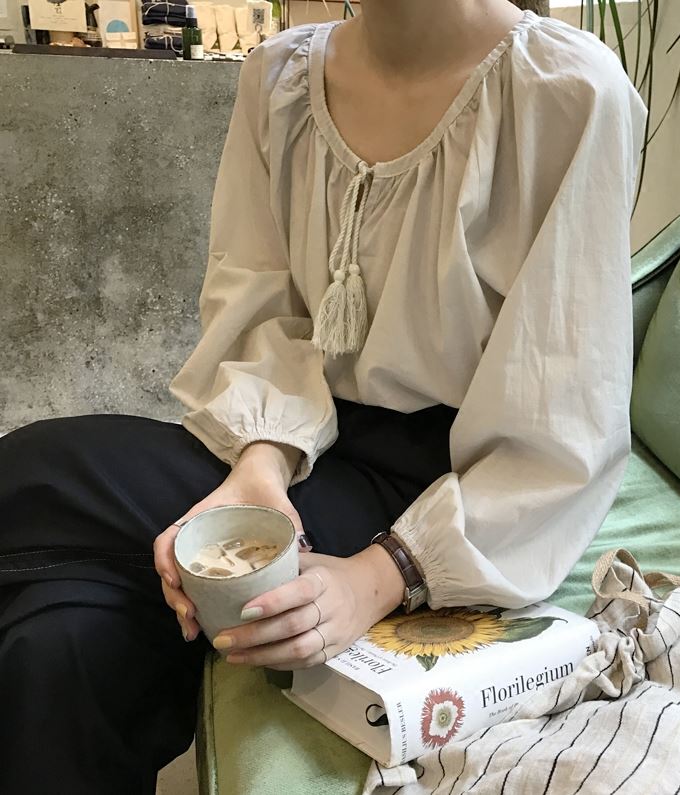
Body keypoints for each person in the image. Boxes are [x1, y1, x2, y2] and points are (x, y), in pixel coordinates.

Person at [0, 0, 647, 791]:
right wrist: (260, 467)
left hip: (444, 498)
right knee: (57, 643)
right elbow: (258, 304)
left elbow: (560, 424)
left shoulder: (566, 93)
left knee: (36, 472)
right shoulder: (279, 77)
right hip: (296, 447)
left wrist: (375, 578)